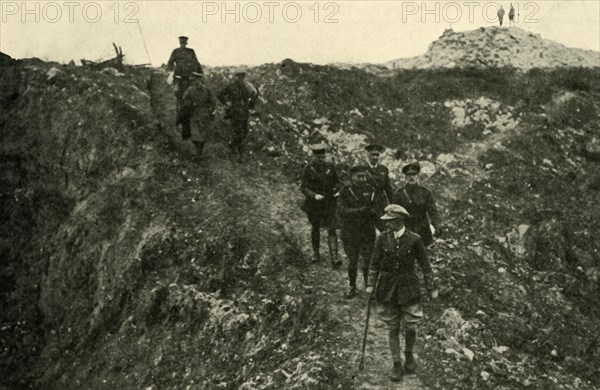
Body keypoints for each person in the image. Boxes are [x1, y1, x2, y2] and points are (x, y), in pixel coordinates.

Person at [366, 204, 438, 382]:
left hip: (409, 287)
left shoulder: (414, 239)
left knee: (411, 325)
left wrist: (432, 287)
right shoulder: (382, 239)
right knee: (393, 326)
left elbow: (425, 264)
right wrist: (370, 285)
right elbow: (374, 263)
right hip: (388, 287)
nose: (386, 225)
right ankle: (396, 363)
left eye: (389, 221)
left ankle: (409, 354)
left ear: (398, 221)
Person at [338, 166, 380, 299]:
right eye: (359, 176)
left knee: (368, 261)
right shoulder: (345, 191)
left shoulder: (371, 190)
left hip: (367, 231)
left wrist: (374, 213)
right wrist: (359, 211)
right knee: (353, 260)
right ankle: (351, 286)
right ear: (352, 177)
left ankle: (369, 287)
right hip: (350, 231)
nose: (362, 179)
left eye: (364, 176)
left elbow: (377, 209)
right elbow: (342, 211)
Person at [300, 143, 342, 267]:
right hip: (314, 204)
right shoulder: (308, 169)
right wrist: (314, 195)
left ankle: (334, 257)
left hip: (329, 203)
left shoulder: (330, 167)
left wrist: (337, 190)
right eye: (318, 157)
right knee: (316, 227)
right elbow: (303, 187)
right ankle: (316, 253)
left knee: (332, 227)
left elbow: (337, 182)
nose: (321, 159)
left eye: (323, 157)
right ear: (314, 156)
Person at [392, 163, 441, 247]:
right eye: (409, 175)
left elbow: (433, 211)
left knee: (423, 255)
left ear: (418, 176)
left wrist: (436, 226)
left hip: (423, 229)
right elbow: (394, 214)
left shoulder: (425, 193)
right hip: (406, 229)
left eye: (414, 174)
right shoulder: (399, 194)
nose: (412, 177)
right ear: (405, 177)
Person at [218, 71, 258, 159]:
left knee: (244, 133)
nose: (241, 78)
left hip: (244, 113)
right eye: (239, 76)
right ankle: (240, 154)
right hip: (234, 113)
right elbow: (220, 94)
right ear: (236, 76)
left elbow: (254, 94)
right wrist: (226, 103)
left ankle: (233, 146)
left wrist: (251, 105)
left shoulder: (247, 86)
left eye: (242, 76)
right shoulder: (231, 86)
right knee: (239, 133)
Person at [166, 36, 203, 128]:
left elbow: (196, 63)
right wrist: (169, 72)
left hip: (190, 79)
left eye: (184, 43)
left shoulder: (191, 51)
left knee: (192, 98)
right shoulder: (175, 51)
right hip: (179, 79)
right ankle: (180, 121)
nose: (182, 44)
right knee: (180, 99)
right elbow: (170, 63)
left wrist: (199, 73)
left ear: (186, 43)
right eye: (181, 43)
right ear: (179, 43)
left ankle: (192, 120)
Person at [179, 72, 217, 158]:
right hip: (194, 114)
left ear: (200, 80)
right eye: (193, 81)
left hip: (205, 115)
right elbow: (184, 100)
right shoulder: (190, 90)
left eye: (195, 80)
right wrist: (190, 105)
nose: (194, 82)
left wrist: (210, 110)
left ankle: (199, 152)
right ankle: (197, 153)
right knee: (195, 135)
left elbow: (213, 101)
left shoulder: (207, 90)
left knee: (203, 135)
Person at [365, 144, 393, 232]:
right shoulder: (363, 169)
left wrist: (392, 203)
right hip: (366, 202)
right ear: (368, 155)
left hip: (381, 203)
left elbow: (388, 188)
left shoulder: (383, 169)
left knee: (384, 227)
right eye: (372, 155)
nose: (375, 157)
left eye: (377, 155)